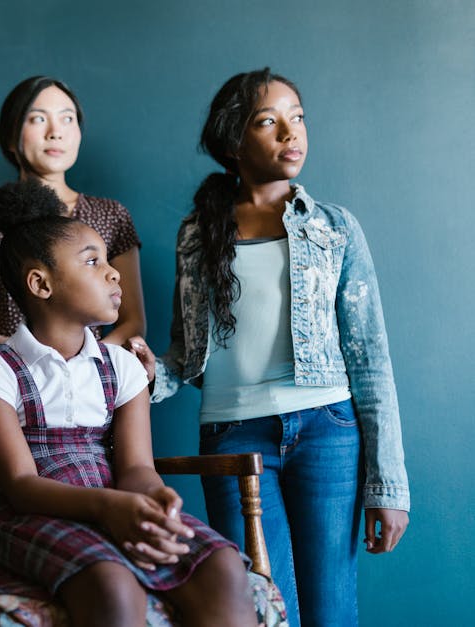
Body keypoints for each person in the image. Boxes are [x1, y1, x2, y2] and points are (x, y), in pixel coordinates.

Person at [128, 68, 410, 627]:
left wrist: (388, 483)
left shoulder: (336, 229)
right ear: (234, 142)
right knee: (259, 612)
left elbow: (370, 360)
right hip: (233, 440)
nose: (291, 132)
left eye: (298, 118)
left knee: (331, 612)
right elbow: (188, 357)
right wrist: (148, 370)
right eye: (269, 121)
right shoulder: (197, 233)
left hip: (329, 433)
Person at [0, 179, 257, 627]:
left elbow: (137, 469)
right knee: (111, 581)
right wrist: (109, 507)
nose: (114, 272)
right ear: (40, 283)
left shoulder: (122, 366)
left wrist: (156, 499)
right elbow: (19, 484)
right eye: (92, 261)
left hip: (118, 502)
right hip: (31, 515)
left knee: (222, 567)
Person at [0, 76, 146, 353]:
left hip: (94, 383)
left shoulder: (112, 215)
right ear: (10, 137)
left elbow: (133, 322)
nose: (55, 132)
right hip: (10, 378)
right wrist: (34, 357)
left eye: (67, 119)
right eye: (38, 119)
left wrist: (84, 364)